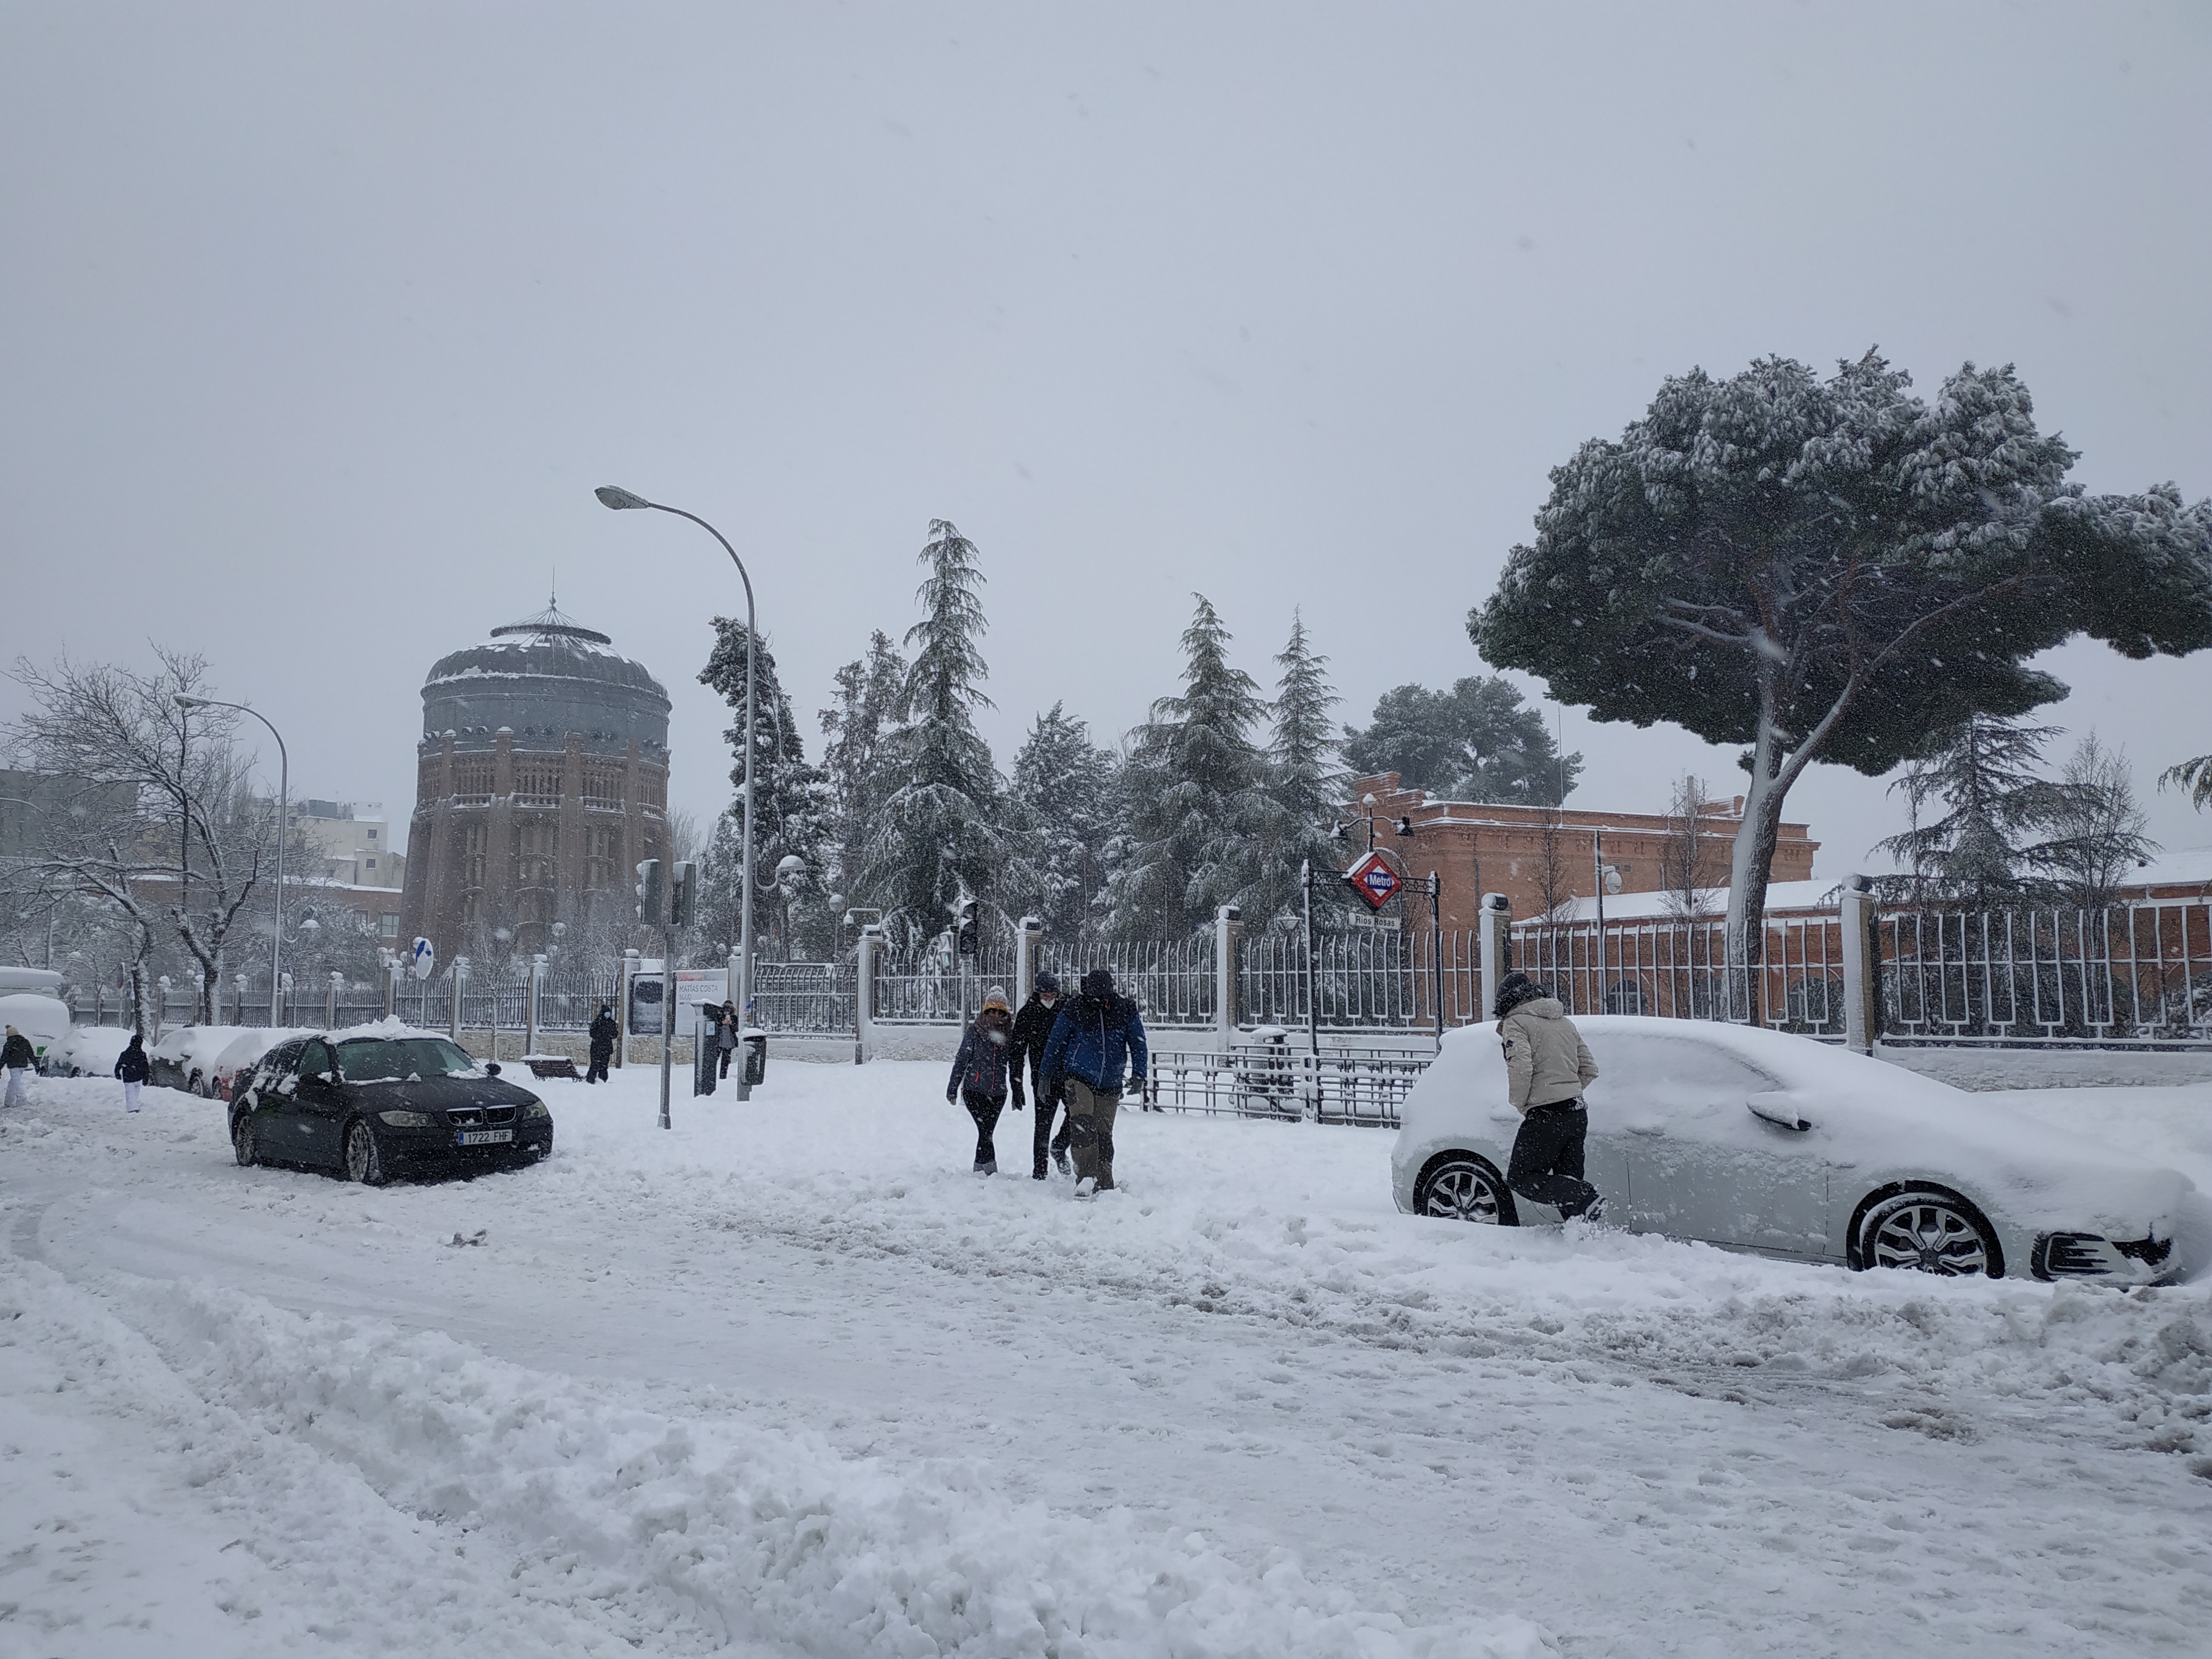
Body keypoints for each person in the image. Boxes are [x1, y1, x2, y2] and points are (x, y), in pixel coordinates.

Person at [1493, 972, 1604, 1222]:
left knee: (1521, 1177)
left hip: (1546, 1114)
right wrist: (1567, 1091)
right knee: (1568, 1181)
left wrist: (1522, 1103)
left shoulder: (1516, 1022)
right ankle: (1584, 1238)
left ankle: (1587, 1199)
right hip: (1576, 1111)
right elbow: (1590, 1069)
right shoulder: (1564, 1022)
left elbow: (1521, 1067)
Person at [1039, 968, 1147, 1197]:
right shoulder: (1075, 1007)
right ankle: (1086, 1176)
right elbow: (1056, 1041)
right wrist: (1045, 1075)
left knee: (1104, 1133)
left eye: (1104, 993)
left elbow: (1138, 1043)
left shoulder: (1125, 1009)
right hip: (1078, 1075)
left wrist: (1139, 1074)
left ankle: (1105, 1180)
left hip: (1111, 1080)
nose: (1099, 998)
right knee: (1082, 1124)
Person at [947, 988, 1016, 1174]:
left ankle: (980, 1168)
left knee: (987, 1132)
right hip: (974, 1090)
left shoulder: (1010, 1033)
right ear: (985, 1011)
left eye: (1000, 1012)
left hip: (999, 1093)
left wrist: (1017, 1090)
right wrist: (953, 1088)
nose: (996, 1015)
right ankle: (988, 1170)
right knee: (985, 1131)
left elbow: (1015, 1062)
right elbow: (962, 1059)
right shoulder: (975, 1031)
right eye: (992, 1011)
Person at [1010, 971, 1070, 1178]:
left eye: (1052, 994)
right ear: (1038, 993)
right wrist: (1016, 1086)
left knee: (1077, 1114)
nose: (1049, 998)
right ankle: (1040, 1171)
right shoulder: (1027, 1013)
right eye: (1045, 995)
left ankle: (1060, 1146)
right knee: (1043, 1123)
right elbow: (1016, 1052)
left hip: (1068, 1074)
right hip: (1042, 1077)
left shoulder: (1067, 1008)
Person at [113, 1031, 150, 1114]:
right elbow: (146, 1067)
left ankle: (132, 1108)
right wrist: (146, 1078)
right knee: (136, 1092)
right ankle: (134, 1107)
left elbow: (119, 1064)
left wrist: (118, 1073)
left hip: (128, 1077)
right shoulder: (142, 1054)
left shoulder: (125, 1054)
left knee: (130, 1093)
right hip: (138, 1077)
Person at [2, 1026, 34, 1109]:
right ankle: (8, 1101)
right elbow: (31, 1054)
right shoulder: (25, 1042)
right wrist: (36, 1065)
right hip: (22, 1065)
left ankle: (22, 1099)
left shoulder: (9, 1043)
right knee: (13, 1082)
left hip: (13, 1066)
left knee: (17, 1082)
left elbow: (4, 1057)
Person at [586, 1004, 617, 1084]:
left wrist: (610, 1033)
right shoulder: (597, 1022)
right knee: (595, 1065)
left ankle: (603, 1080)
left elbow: (615, 1035)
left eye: (609, 1013)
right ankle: (591, 1079)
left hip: (606, 1048)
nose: (608, 1015)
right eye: (606, 1013)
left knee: (604, 1066)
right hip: (597, 1048)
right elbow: (592, 1034)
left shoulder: (612, 1023)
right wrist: (602, 1034)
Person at [717, 1003, 740, 1079]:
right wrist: (722, 1022)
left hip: (729, 1042)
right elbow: (715, 1026)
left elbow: (736, 1029)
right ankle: (711, 1076)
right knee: (714, 1059)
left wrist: (731, 1023)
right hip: (719, 1041)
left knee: (725, 1061)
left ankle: (723, 1076)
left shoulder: (734, 1018)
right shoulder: (719, 1017)